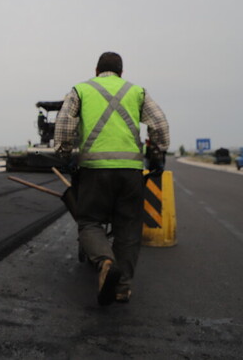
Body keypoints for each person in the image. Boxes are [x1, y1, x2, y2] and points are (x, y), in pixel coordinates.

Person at [54, 52, 169, 306]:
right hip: (130, 171)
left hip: (94, 170)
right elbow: (159, 124)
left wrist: (64, 153)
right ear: (121, 72)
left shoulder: (81, 89)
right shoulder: (136, 91)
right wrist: (158, 154)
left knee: (89, 222)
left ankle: (106, 261)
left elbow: (63, 124)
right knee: (128, 228)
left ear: (96, 70)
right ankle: (122, 288)